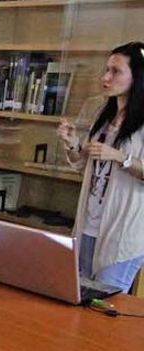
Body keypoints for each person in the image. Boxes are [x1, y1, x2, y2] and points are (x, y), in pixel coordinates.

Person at [57, 41, 144, 293]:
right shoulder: (102, 115)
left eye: (116, 71)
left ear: (137, 77)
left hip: (122, 233)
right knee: (77, 296)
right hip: (88, 225)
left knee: (104, 303)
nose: (105, 77)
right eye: (106, 69)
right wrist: (72, 144)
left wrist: (120, 157)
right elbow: (83, 164)